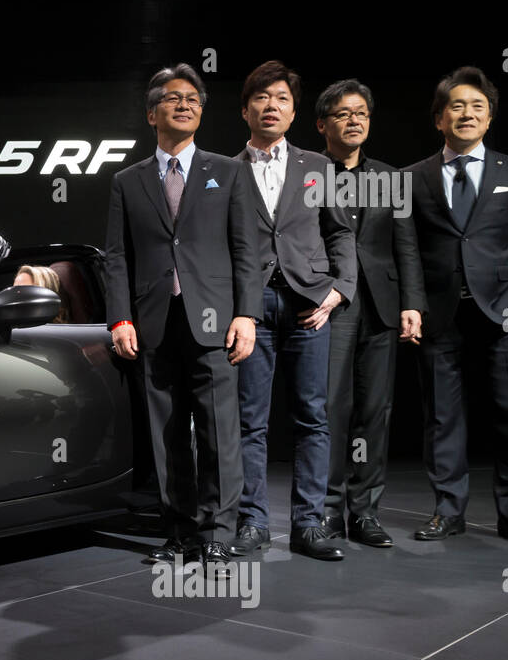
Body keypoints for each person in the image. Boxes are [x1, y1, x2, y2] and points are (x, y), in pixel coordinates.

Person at [104, 63, 261, 578]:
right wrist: (120, 319)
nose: (186, 104)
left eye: (194, 98)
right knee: (166, 431)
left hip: (215, 321)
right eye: (174, 98)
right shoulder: (127, 182)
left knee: (219, 431)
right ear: (153, 113)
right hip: (152, 321)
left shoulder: (229, 171)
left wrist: (247, 314)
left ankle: (217, 534)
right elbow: (117, 257)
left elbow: (246, 249)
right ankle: (178, 531)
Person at [405, 67, 508, 547]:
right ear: (438, 119)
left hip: (505, 313)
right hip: (440, 312)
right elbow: (406, 249)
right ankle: (448, 511)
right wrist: (413, 305)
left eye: (477, 106)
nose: (467, 114)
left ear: (489, 118)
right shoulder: (413, 177)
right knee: (441, 417)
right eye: (456, 105)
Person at [229, 60, 356, 561]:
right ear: (245, 110)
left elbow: (341, 232)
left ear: (294, 110)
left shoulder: (318, 166)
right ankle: (252, 522)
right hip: (250, 308)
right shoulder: (223, 170)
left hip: (310, 305)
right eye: (261, 98)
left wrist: (339, 290)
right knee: (248, 422)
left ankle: (308, 525)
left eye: (281, 98)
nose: (271, 106)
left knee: (312, 418)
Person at [315, 79, 426, 547]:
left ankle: (364, 513)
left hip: (382, 308)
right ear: (322, 123)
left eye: (361, 113)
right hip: (332, 307)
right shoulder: (309, 173)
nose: (354, 120)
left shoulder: (391, 177)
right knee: (329, 411)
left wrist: (413, 304)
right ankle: (324, 512)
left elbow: (406, 247)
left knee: (374, 413)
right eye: (343, 113)